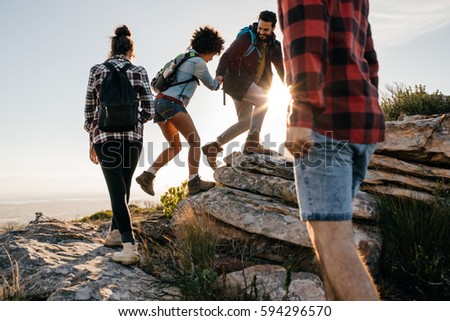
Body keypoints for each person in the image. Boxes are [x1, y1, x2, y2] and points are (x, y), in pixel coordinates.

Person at [278, 0, 385, 300]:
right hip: (360, 121)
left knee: (334, 244)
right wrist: (370, 105)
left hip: (327, 123)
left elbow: (307, 39)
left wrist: (301, 112)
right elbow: (369, 56)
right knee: (330, 244)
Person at [84, 25, 154, 265]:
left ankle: (129, 246)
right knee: (123, 187)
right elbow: (149, 108)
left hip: (105, 138)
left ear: (112, 47)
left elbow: (89, 109)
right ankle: (115, 234)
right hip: (133, 138)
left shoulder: (96, 70)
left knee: (116, 190)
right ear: (130, 50)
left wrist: (92, 138)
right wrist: (136, 121)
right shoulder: (139, 70)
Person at [135, 26, 225, 196]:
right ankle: (194, 182)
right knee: (195, 142)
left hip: (159, 103)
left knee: (175, 146)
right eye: (213, 54)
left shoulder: (182, 57)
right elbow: (212, 86)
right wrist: (219, 79)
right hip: (172, 103)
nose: (212, 58)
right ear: (209, 48)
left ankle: (148, 176)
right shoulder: (198, 62)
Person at [201, 10, 285, 170]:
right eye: (260, 28)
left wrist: (289, 87)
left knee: (246, 122)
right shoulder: (247, 37)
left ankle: (214, 146)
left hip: (247, 85)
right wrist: (219, 75)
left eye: (266, 29)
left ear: (273, 28)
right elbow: (227, 56)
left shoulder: (275, 45)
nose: (261, 32)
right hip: (237, 82)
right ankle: (253, 141)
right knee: (264, 101)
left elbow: (280, 68)